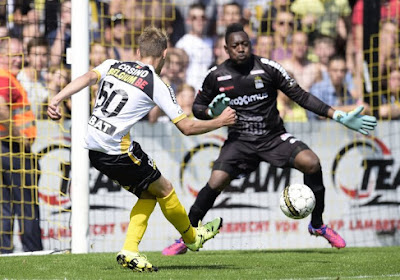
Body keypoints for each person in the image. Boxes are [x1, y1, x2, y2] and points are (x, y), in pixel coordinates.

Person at [162, 23, 377, 256]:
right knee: (215, 182)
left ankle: (317, 225)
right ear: (226, 48)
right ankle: (187, 236)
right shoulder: (216, 75)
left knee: (312, 163)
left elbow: (301, 96)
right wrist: (212, 114)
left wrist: (337, 115)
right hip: (240, 140)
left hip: (273, 137)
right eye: (235, 46)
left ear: (250, 44)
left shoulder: (268, 68)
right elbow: (197, 107)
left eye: (245, 44)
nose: (241, 49)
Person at [47, 26, 237, 272]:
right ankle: (191, 238)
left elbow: (86, 77)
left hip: (95, 149)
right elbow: (187, 127)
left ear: (138, 51)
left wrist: (57, 98)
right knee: (165, 188)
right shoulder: (156, 84)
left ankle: (132, 249)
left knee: (148, 194)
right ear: (164, 55)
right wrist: (220, 122)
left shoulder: (112, 65)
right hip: (118, 151)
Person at [0, 37, 43, 253]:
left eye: (20, 55)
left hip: (6, 150)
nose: (19, 59)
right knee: (27, 207)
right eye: (13, 55)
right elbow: (0, 107)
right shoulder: (5, 78)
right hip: (13, 150)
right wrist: (19, 137)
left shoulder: (10, 78)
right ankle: (34, 253)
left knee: (4, 207)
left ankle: (4, 254)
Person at [308, 55, 369, 120]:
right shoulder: (317, 89)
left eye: (342, 71)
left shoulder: (346, 92)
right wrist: (354, 109)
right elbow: (320, 113)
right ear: (328, 71)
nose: (339, 74)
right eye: (335, 70)